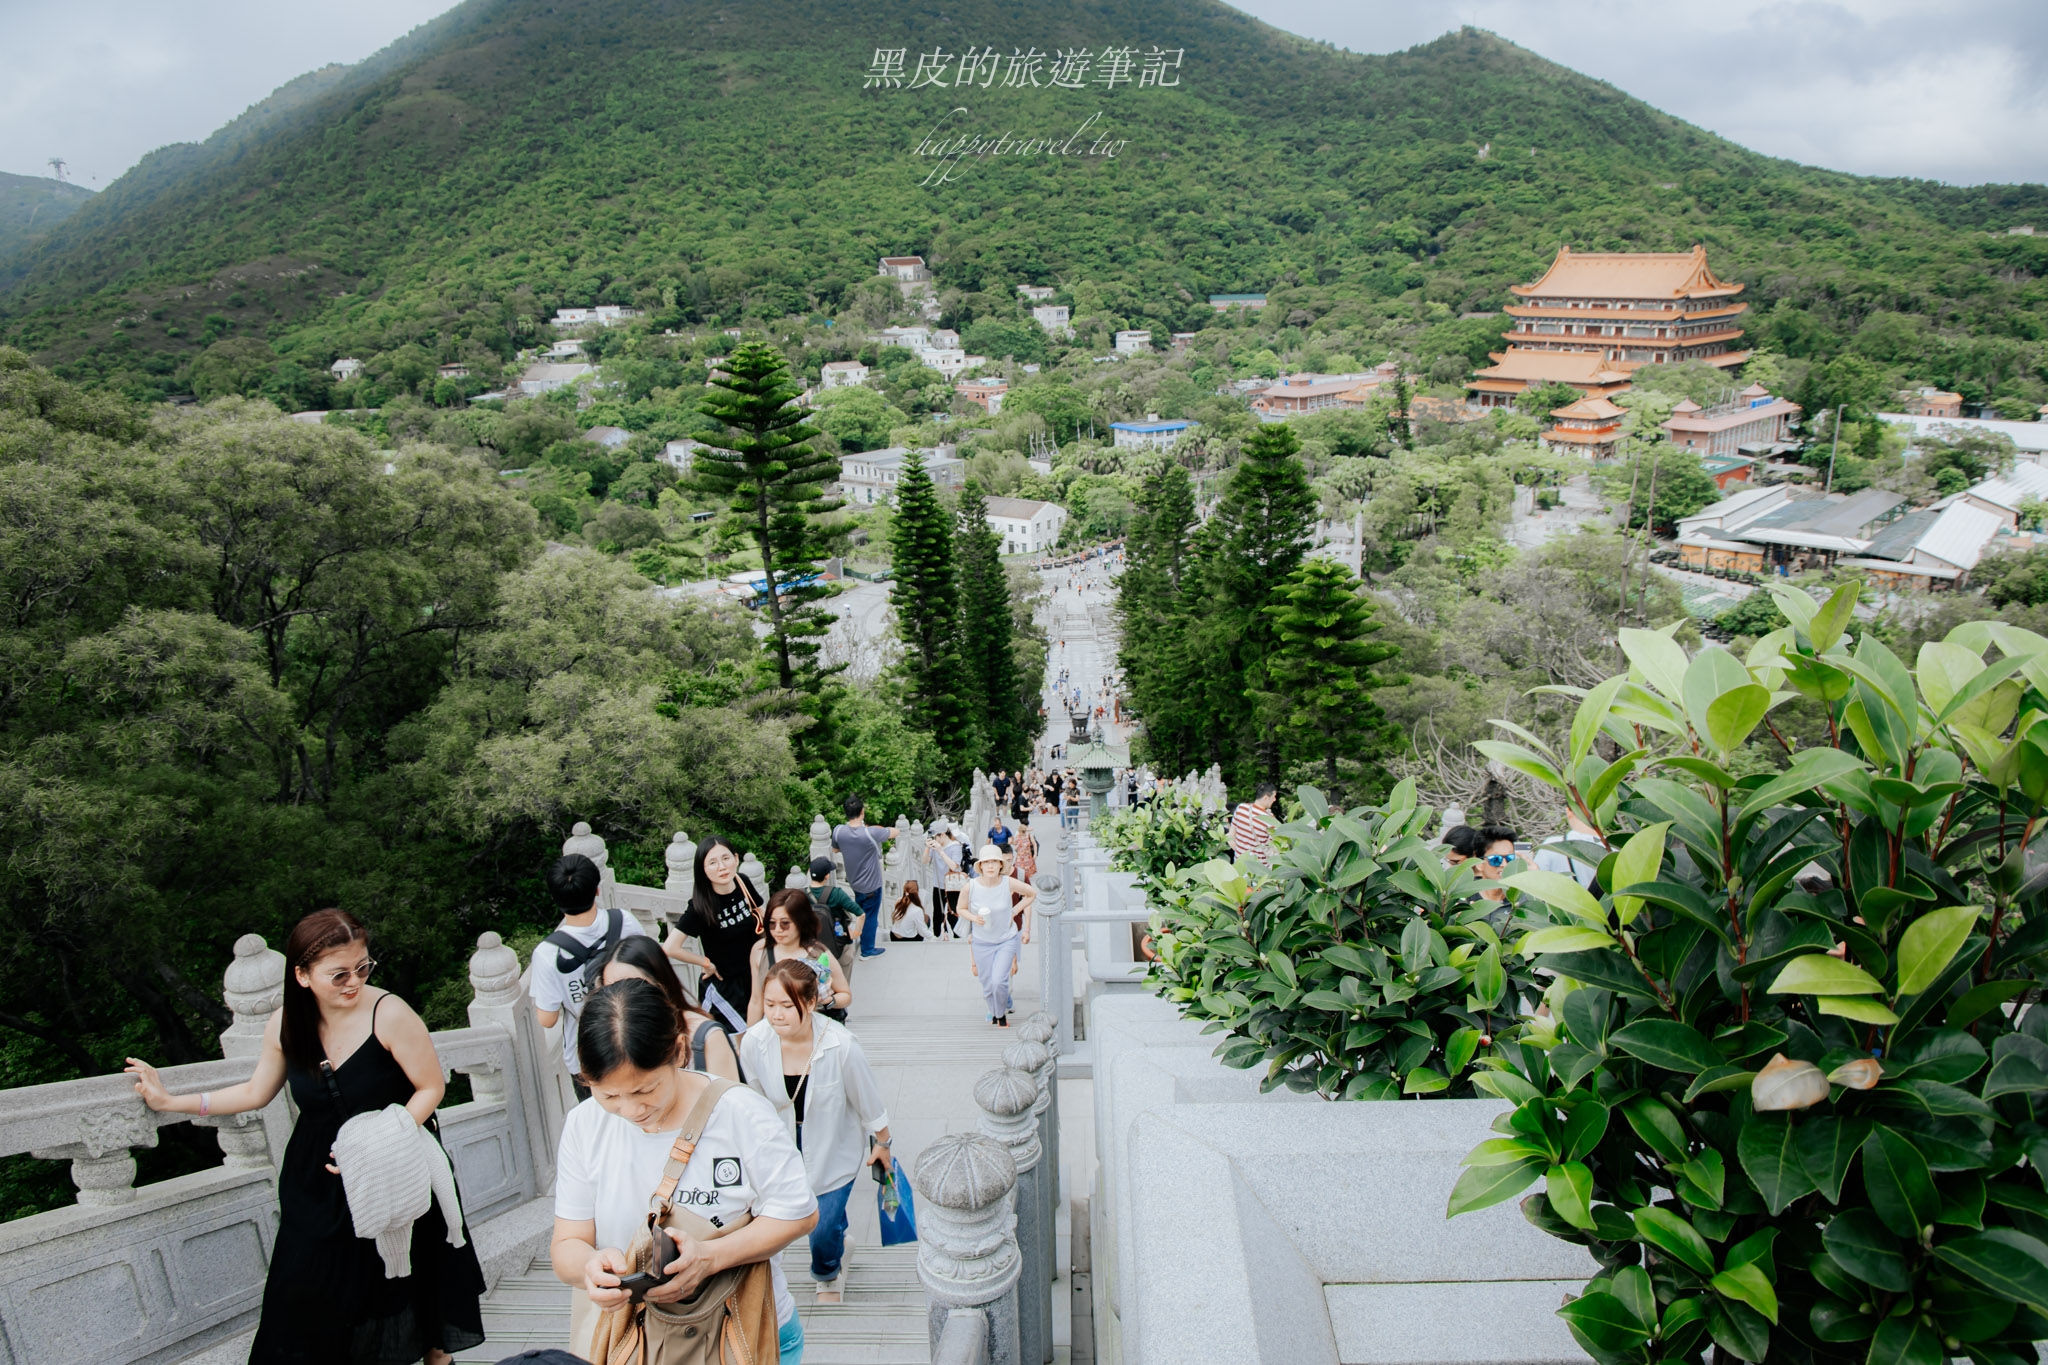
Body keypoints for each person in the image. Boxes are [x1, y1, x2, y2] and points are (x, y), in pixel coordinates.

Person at [126, 909, 486, 1365]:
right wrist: (170, 1101)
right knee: (304, 1293)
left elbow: (431, 1087)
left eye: (362, 968)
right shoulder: (286, 1024)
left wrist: (380, 1140)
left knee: (414, 1291)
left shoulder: (389, 1013)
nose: (353, 982)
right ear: (301, 975)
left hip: (391, 1165)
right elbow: (257, 1092)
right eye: (338, 975)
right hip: (316, 1179)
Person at [551, 980, 817, 1365]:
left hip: (740, 1333)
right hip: (637, 1342)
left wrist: (710, 1257)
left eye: (645, 1090)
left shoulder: (741, 1114)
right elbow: (567, 1245)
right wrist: (590, 1269)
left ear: (679, 1051)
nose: (631, 1110)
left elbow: (799, 1212)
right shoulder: (583, 1125)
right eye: (608, 1095)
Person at [741, 960, 892, 1305]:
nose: (776, 1015)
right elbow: (755, 1097)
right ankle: (840, 1237)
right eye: (770, 1005)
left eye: (786, 1005)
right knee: (789, 1215)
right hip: (779, 1146)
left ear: (809, 1003)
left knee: (820, 1226)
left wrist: (883, 1142)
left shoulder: (841, 1046)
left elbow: (868, 1101)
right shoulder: (754, 1042)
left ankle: (827, 1273)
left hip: (833, 1147)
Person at [531, 853, 652, 1101]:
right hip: (640, 1038)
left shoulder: (547, 954)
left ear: (555, 898)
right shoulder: (625, 921)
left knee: (606, 1133)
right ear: (597, 890)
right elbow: (651, 971)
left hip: (588, 1057)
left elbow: (547, 1019)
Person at [591, 935, 741, 1083]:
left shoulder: (704, 1037)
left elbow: (728, 1103)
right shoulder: (609, 1039)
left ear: (662, 983)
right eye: (610, 988)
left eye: (635, 988)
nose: (621, 998)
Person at [673, 836, 765, 1034]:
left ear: (736, 859)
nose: (721, 867)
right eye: (712, 863)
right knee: (741, 1041)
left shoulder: (743, 882)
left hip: (755, 977)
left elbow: (762, 917)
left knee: (762, 1037)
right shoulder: (701, 905)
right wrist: (706, 963)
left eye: (726, 859)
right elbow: (671, 947)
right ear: (702, 869)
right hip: (725, 987)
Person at [748, 890, 853, 1026]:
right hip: (775, 1027)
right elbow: (756, 1000)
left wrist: (828, 1000)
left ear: (801, 922)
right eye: (772, 923)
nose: (777, 929)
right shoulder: (759, 951)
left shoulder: (818, 954)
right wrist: (749, 1038)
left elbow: (845, 995)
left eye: (785, 923)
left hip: (813, 1028)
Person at [959, 844, 1037, 1026]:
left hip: (1006, 939)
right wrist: (974, 917)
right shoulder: (970, 887)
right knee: (987, 985)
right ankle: (994, 1013)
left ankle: (1001, 1015)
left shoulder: (1008, 883)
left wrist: (1014, 911)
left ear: (1001, 865)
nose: (991, 866)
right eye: (987, 863)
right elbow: (960, 909)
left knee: (999, 982)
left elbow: (1031, 894)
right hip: (981, 941)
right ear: (981, 866)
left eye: (995, 862)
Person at [831, 796, 896, 960]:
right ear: (862, 812)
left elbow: (836, 851)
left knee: (860, 911)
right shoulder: (871, 832)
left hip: (854, 881)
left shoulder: (838, 831)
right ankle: (867, 950)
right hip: (872, 884)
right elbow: (895, 832)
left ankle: (861, 938)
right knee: (870, 915)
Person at [1442, 824, 1521, 930]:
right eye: (1495, 859)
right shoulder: (1460, 899)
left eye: (1510, 858)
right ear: (1479, 862)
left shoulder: (1521, 900)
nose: (1504, 865)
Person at [806, 856, 863, 978]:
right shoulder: (836, 893)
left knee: (820, 986)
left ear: (809, 872)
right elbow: (860, 914)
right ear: (827, 876)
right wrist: (856, 932)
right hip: (839, 945)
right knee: (842, 984)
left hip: (812, 948)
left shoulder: (800, 895)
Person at [1533, 808, 1605, 892]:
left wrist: (1533, 875)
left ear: (1568, 811)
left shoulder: (1552, 846)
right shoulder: (1615, 849)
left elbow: (1536, 890)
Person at [1227, 783, 1280, 867]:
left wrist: (1241, 853)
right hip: (1259, 869)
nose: (1274, 800)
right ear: (1266, 798)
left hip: (1239, 865)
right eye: (1273, 797)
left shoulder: (1241, 808)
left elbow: (1230, 837)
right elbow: (1275, 848)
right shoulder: (1269, 820)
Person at [932, 824, 966, 938]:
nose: (934, 840)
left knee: (953, 911)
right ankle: (939, 935)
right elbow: (924, 861)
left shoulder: (955, 846)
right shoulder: (934, 847)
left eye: (935, 837)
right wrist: (928, 848)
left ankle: (958, 935)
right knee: (937, 912)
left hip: (953, 885)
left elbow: (955, 867)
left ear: (941, 835)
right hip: (938, 884)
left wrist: (941, 851)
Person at [1012, 812, 1039, 886]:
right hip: (1020, 858)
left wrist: (1035, 854)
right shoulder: (1018, 836)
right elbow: (1013, 843)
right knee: (1019, 872)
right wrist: (1017, 846)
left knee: (1027, 873)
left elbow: (1034, 844)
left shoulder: (1029, 835)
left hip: (1027, 857)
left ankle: (1026, 884)